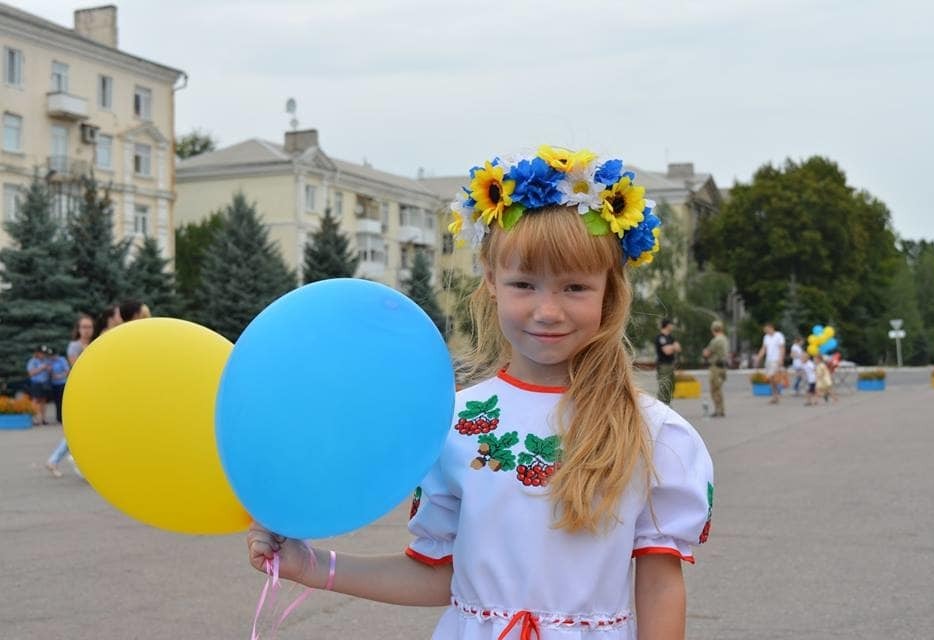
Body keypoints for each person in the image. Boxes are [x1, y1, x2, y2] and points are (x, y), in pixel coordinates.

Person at [246, 147, 714, 639]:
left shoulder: (651, 432)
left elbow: (660, 588)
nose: (547, 310)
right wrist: (311, 566)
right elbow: (441, 577)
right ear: (491, 281)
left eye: (575, 287)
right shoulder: (452, 424)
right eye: (524, 284)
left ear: (609, 290)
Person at [45, 313, 94, 477]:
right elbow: (76, 368)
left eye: (89, 327)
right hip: (79, 391)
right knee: (79, 429)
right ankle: (61, 460)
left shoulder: (95, 344)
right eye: (84, 327)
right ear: (78, 329)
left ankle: (54, 460)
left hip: (92, 391)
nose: (87, 330)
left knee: (82, 429)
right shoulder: (74, 346)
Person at [702, 320, 729, 417]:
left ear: (713, 329)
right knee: (719, 389)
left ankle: (718, 410)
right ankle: (721, 409)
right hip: (723, 366)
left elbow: (707, 353)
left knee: (714, 389)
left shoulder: (716, 340)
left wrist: (705, 352)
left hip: (715, 367)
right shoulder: (725, 339)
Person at [756, 322, 785, 404]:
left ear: (771, 328)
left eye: (766, 329)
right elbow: (764, 349)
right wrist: (758, 357)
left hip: (776, 359)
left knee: (772, 376)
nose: (765, 331)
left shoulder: (779, 335)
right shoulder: (766, 337)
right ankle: (774, 395)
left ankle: (776, 394)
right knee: (770, 379)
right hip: (768, 360)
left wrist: (781, 359)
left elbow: (782, 348)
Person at [654, 318, 681, 404]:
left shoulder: (670, 337)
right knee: (664, 386)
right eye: (671, 324)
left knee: (671, 387)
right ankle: (661, 406)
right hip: (663, 365)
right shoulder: (660, 337)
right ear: (667, 325)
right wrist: (673, 347)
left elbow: (679, 348)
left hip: (671, 365)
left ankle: (667, 405)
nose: (672, 326)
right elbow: (667, 351)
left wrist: (671, 347)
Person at [26, 345, 51, 425]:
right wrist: (41, 368)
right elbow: (31, 373)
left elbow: (50, 372)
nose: (43, 355)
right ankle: (35, 419)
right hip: (36, 383)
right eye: (41, 353)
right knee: (36, 401)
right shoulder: (32, 361)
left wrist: (49, 369)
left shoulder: (46, 361)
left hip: (45, 383)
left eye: (44, 353)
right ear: (37, 353)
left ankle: (43, 419)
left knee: (43, 401)